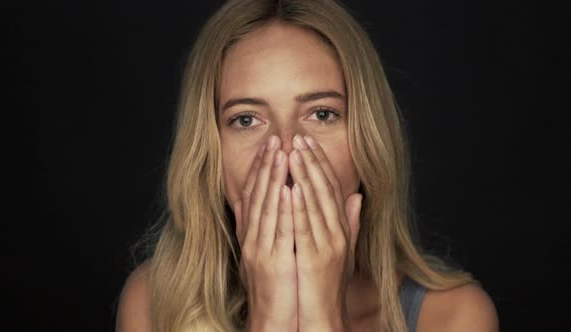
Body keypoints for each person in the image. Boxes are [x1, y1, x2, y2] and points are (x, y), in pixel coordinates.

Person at [115, 0, 499, 331]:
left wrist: (325, 319)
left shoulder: (454, 317)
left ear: (368, 141)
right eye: (246, 119)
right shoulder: (154, 305)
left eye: (322, 114)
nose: (284, 153)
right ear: (208, 155)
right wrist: (269, 320)